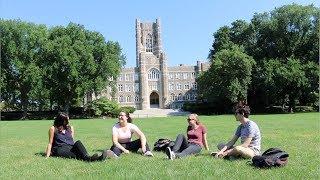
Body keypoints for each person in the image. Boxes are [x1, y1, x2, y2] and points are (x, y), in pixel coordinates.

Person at [45, 112, 112, 161]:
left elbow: (72, 140)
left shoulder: (70, 128)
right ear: (61, 120)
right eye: (66, 120)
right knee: (77, 155)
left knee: (78, 143)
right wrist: (47, 156)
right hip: (60, 148)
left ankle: (91, 158)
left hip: (70, 147)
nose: (68, 121)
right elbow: (50, 143)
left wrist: (76, 148)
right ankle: (94, 158)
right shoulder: (53, 128)